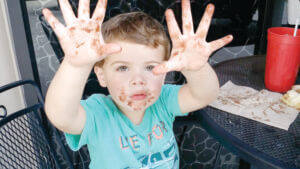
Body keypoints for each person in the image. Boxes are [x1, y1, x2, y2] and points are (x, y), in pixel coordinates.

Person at [43, 0, 233, 168]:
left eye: (150, 67)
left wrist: (195, 69)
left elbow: (204, 95)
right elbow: (61, 116)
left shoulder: (163, 101)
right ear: (101, 76)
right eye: (123, 68)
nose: (138, 80)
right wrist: (75, 66)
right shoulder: (98, 114)